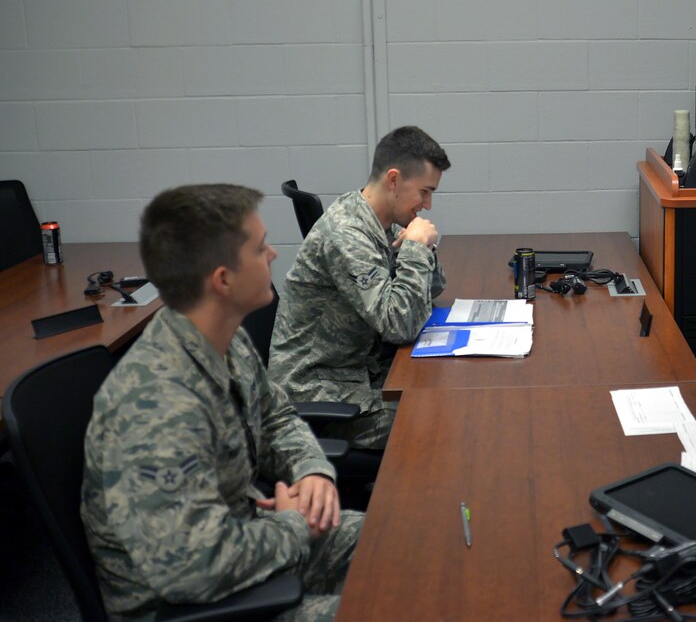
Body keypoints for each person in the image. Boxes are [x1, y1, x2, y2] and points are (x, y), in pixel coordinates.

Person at [82, 184, 364, 620]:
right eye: (260, 248)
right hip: (194, 603)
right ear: (223, 279)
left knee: (397, 542)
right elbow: (192, 570)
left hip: (246, 540)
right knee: (390, 603)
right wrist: (293, 527)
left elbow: (277, 418)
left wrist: (311, 470)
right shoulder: (157, 407)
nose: (272, 254)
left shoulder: (223, 341)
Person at [270, 126, 451, 449]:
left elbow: (434, 287)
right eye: (424, 191)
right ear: (393, 180)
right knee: (435, 418)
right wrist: (416, 250)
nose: (429, 204)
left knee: (441, 392)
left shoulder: (382, 220)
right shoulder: (347, 234)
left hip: (356, 371)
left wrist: (419, 246)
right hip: (317, 393)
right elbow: (400, 325)